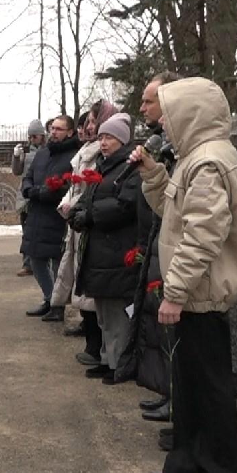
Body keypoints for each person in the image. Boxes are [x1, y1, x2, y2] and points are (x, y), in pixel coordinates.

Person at [135, 77, 237, 473]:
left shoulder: (208, 162)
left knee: (209, 389)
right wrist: (153, 175)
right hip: (192, 294)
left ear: (190, 112)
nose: (162, 120)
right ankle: (185, 466)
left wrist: (175, 291)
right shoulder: (194, 160)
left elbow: (203, 233)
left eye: (167, 110)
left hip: (200, 295)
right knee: (187, 388)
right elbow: (175, 215)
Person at [116, 72, 183, 435]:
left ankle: (179, 406)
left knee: (176, 340)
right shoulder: (161, 144)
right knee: (160, 336)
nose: (141, 107)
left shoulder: (190, 153)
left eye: (148, 101)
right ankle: (169, 395)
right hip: (155, 241)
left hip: (171, 253)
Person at [68, 113, 141, 384]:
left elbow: (126, 203)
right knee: (102, 314)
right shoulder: (104, 165)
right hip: (99, 252)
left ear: (122, 139)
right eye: (101, 137)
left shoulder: (131, 166)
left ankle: (118, 364)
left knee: (116, 316)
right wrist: (77, 212)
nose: (103, 142)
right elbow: (88, 198)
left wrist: (89, 214)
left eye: (108, 137)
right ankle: (106, 358)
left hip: (116, 252)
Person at [51, 111, 102, 349]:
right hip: (75, 220)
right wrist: (67, 202)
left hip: (88, 222)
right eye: (86, 123)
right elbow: (74, 184)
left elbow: (95, 188)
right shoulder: (83, 153)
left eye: (92, 122)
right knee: (75, 272)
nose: (87, 128)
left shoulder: (100, 153)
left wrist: (76, 205)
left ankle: (96, 343)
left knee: (87, 281)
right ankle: (87, 327)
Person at [20, 115, 81, 317]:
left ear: (70, 132)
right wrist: (31, 190)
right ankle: (49, 298)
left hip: (58, 216)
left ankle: (59, 306)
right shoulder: (42, 153)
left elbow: (71, 185)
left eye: (59, 129)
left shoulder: (75, 155)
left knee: (58, 263)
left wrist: (43, 193)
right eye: (52, 128)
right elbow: (27, 178)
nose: (54, 132)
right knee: (35, 259)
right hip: (36, 214)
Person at [13, 120, 46, 277]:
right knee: (27, 232)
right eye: (30, 136)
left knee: (40, 231)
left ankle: (40, 263)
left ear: (42, 136)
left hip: (40, 195)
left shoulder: (48, 151)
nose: (32, 139)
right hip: (26, 198)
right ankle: (27, 264)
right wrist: (16, 157)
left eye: (35, 136)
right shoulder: (25, 153)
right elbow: (16, 171)